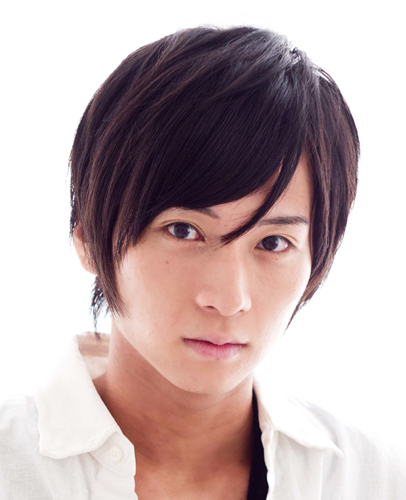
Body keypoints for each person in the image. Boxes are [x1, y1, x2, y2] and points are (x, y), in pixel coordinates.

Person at [0, 25, 404, 500]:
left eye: (274, 242)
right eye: (183, 231)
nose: (229, 299)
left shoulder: (372, 478)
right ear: (89, 235)